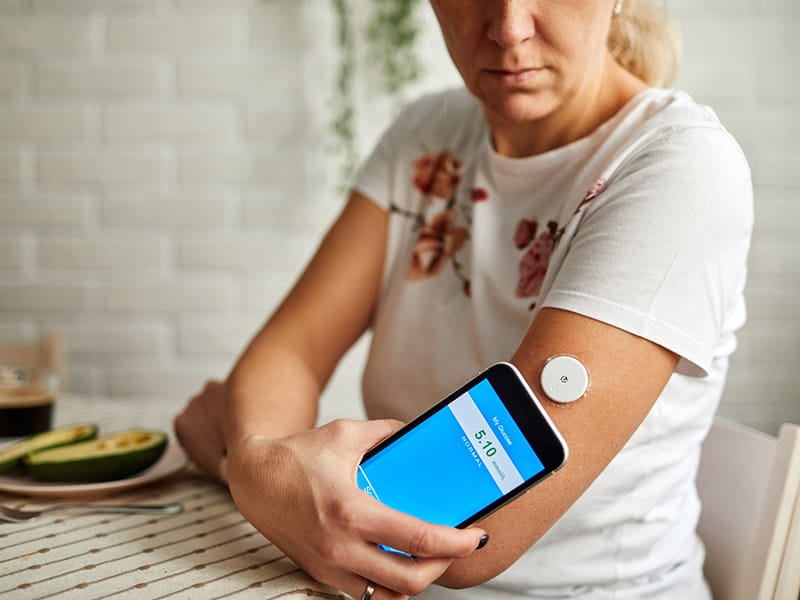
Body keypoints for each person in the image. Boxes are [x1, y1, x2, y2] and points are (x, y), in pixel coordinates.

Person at [174, 0, 753, 598]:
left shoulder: (678, 168)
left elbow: (470, 536)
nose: (508, 28)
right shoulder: (428, 135)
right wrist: (260, 465)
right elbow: (289, 354)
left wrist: (242, 465)